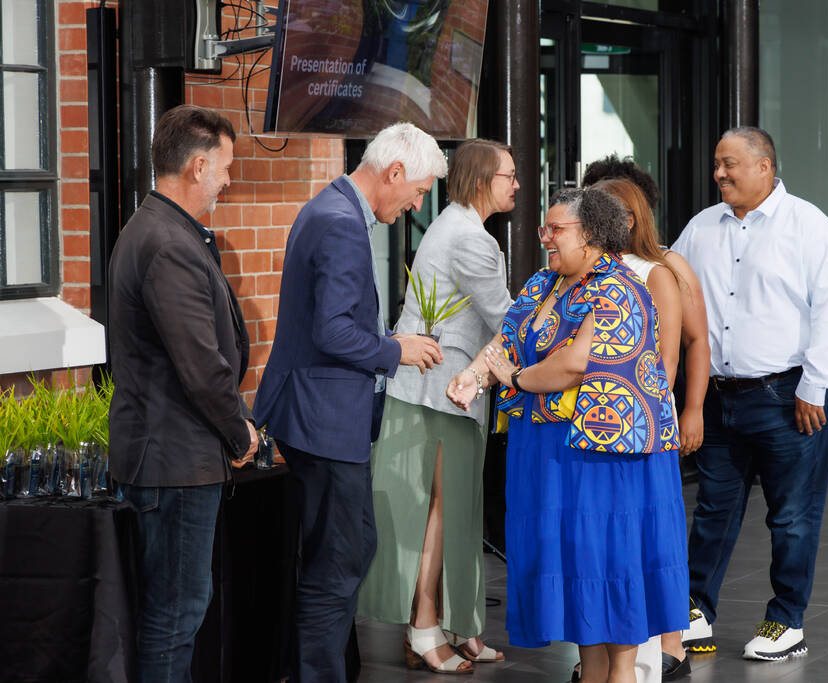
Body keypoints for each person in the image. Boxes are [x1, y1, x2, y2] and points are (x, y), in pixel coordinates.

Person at [448, 187, 689, 683]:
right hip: (552, 453)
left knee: (609, 565)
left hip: (606, 461)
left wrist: (513, 379)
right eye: (544, 229)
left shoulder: (617, 287)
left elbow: (575, 364)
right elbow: (505, 339)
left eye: (556, 230)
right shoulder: (544, 283)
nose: (546, 239)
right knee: (581, 575)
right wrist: (474, 375)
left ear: (592, 234)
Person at [252, 122, 447, 682]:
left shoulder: (332, 208)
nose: (415, 205)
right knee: (337, 563)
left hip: (319, 415)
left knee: (353, 547)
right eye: (416, 191)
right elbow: (334, 331)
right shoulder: (340, 222)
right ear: (392, 173)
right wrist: (396, 349)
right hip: (323, 420)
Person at [670, 126, 828, 661]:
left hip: (789, 398)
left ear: (765, 167)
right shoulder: (702, 228)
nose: (719, 173)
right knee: (713, 510)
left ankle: (786, 620)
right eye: (717, 164)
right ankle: (694, 609)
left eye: (730, 164)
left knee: (792, 515)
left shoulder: (809, 227)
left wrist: (815, 386)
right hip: (720, 399)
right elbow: (667, 286)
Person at [107, 104, 259, 680]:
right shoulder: (168, 242)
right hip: (173, 461)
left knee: (177, 613)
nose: (228, 179)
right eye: (224, 167)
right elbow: (201, 365)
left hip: (172, 457)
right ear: (198, 166)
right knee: (175, 617)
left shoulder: (163, 229)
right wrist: (238, 428)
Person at [357, 139, 518, 674]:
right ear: (482, 181)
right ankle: (425, 626)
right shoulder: (470, 240)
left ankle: (460, 624)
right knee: (440, 514)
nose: (517, 184)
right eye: (509, 176)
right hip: (442, 393)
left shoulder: (455, 226)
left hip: (441, 390)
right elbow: (508, 321)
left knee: (454, 509)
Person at [591, 176, 710, 680]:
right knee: (617, 537)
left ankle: (671, 645)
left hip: (645, 420)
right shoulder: (587, 270)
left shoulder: (662, 268)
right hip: (601, 423)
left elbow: (682, 350)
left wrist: (691, 410)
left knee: (654, 532)